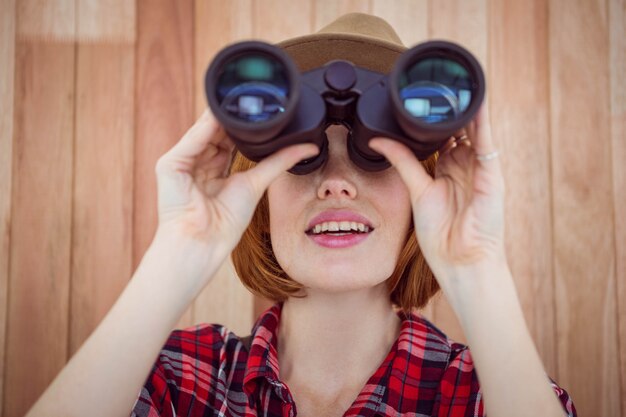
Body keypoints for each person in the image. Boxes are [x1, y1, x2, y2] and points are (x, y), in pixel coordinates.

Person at [27, 13, 576, 417]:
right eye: (303, 154)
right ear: (260, 193)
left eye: (377, 153)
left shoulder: (488, 394)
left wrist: (478, 267)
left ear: (422, 190)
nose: (336, 182)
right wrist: (178, 250)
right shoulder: (180, 378)